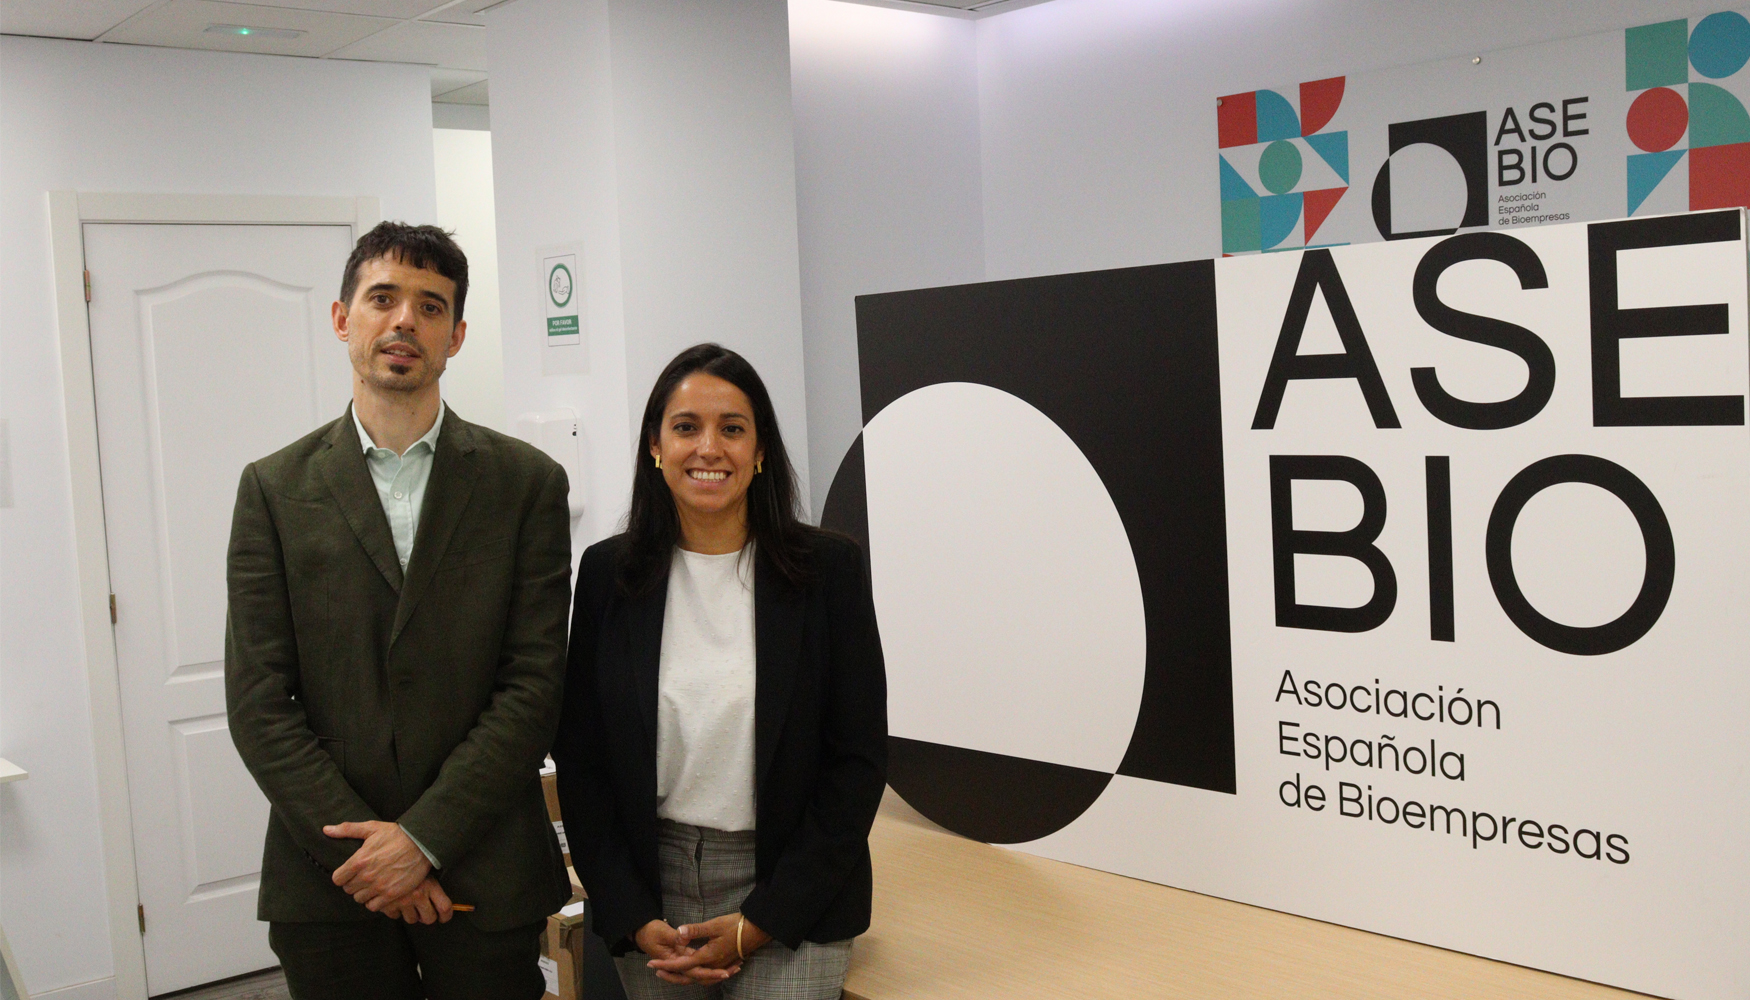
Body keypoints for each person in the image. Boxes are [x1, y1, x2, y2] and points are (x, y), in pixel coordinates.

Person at [226, 222, 573, 999]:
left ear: (456, 336)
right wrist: (377, 858)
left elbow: (533, 688)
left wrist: (424, 839)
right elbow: (258, 704)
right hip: (331, 879)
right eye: (382, 298)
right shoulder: (274, 491)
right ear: (343, 319)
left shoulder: (526, 485)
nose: (404, 322)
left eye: (430, 306)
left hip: (484, 871)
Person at [555, 343, 887, 999]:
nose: (709, 448)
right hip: (654, 883)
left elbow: (857, 762)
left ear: (760, 451)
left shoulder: (828, 573)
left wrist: (763, 921)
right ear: (656, 446)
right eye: (686, 428)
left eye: (732, 429)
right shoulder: (607, 575)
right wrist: (628, 907)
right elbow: (584, 757)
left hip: (792, 883)